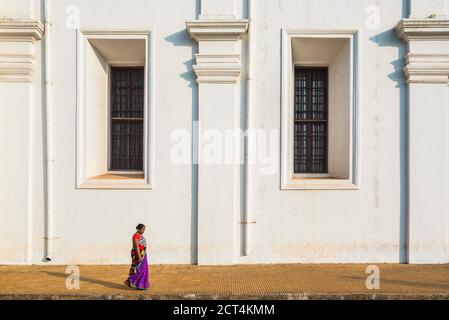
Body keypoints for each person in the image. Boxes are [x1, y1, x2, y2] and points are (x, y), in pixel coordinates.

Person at [123, 224, 150, 290]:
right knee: (138, 269)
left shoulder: (140, 235)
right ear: (138, 229)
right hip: (137, 254)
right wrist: (139, 256)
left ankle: (140, 285)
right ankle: (129, 280)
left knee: (143, 269)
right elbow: (136, 246)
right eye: (142, 229)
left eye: (144, 229)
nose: (144, 230)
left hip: (143, 254)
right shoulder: (136, 235)